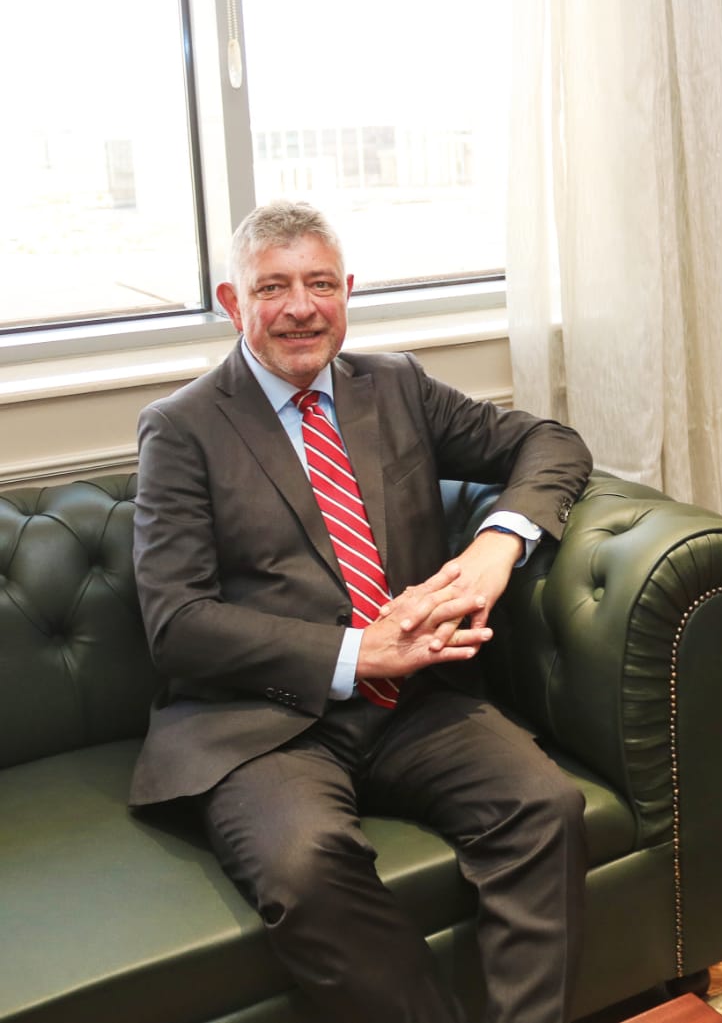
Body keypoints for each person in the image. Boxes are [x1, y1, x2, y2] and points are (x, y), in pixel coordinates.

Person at [130, 200, 594, 1023]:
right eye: (272, 287)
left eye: (319, 284)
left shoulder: (397, 385)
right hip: (264, 724)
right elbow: (178, 623)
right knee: (306, 866)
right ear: (233, 302)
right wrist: (356, 654)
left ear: (347, 290)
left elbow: (551, 442)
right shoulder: (182, 429)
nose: (300, 308)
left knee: (545, 807)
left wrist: (498, 544)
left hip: (417, 704)